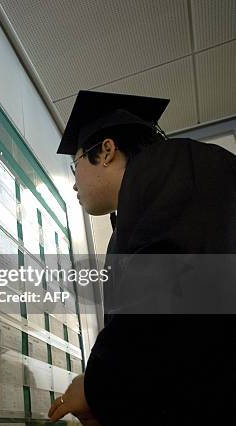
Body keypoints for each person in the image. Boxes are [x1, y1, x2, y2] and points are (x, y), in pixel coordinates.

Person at [47, 91, 236, 425]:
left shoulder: (178, 165)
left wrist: (97, 387)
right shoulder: (144, 202)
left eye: (74, 164)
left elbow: (166, 311)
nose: (74, 182)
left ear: (105, 150)